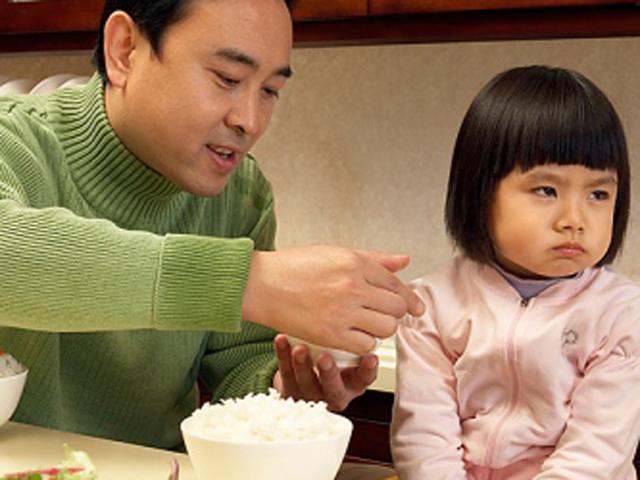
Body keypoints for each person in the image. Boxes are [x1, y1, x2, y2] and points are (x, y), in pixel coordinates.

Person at [0, 0, 424, 450]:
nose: (250, 121)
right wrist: (248, 282)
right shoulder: (16, 142)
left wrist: (282, 392)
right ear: (124, 51)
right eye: (227, 79)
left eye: (270, 90)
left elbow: (237, 366)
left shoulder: (242, 195)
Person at [391, 65, 640, 479]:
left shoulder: (621, 316)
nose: (574, 219)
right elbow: (424, 439)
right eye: (546, 190)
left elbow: (596, 451)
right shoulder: (432, 305)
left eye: (598, 193)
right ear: (480, 192)